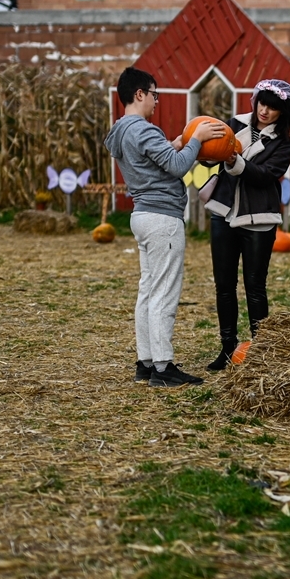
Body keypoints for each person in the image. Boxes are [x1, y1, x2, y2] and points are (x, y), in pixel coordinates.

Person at [105, 66, 227, 387]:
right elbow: (177, 167)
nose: (156, 101)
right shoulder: (143, 129)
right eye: (154, 94)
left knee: (147, 291)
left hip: (142, 215)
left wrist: (173, 144)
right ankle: (163, 367)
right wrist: (196, 140)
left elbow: (155, 160)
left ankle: (145, 363)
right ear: (139, 94)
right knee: (164, 292)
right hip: (162, 219)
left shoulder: (122, 131)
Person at [203, 78, 290, 370]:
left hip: (259, 218)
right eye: (262, 103)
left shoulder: (284, 145)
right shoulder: (232, 125)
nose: (264, 111)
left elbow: (263, 175)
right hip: (223, 212)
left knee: (255, 285)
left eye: (273, 108)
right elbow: (211, 154)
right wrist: (206, 153)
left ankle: (260, 351)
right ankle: (227, 348)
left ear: (282, 113)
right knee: (224, 285)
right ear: (256, 101)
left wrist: (233, 159)